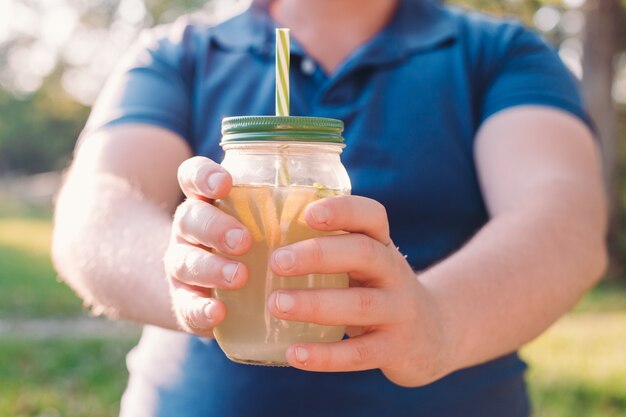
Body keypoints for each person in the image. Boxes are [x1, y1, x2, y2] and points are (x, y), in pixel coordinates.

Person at [51, 0, 608, 415]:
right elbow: (95, 207)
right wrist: (183, 276)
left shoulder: (500, 53)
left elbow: (563, 217)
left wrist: (438, 323)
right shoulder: (178, 54)